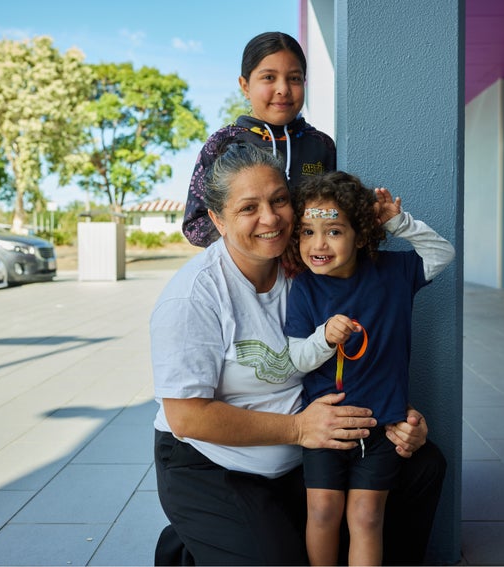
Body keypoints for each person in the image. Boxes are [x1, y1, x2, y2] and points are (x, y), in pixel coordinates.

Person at [152, 142, 446, 566]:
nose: (270, 218)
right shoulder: (193, 297)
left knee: (422, 466)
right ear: (217, 218)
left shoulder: (309, 267)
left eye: (279, 200)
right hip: (214, 463)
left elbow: (364, 350)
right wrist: (298, 430)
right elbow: (187, 417)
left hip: (302, 455)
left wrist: (399, 413)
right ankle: (193, 542)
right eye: (248, 207)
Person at [284, 172, 455, 566]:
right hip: (326, 427)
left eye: (333, 231)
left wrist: (398, 222)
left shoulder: (394, 273)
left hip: (382, 428)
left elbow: (442, 254)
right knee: (323, 511)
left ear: (361, 236)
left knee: (366, 516)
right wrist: (323, 338)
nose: (318, 244)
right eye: (307, 231)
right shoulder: (304, 288)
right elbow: (296, 359)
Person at [182, 31, 336, 247]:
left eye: (294, 78)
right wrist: (257, 247)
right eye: (269, 78)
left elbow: (336, 212)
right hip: (248, 276)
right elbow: (195, 224)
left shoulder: (322, 145)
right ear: (245, 86)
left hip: (310, 273)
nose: (283, 89)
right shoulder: (222, 144)